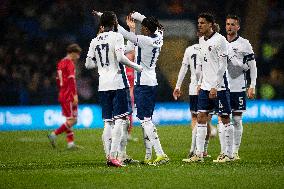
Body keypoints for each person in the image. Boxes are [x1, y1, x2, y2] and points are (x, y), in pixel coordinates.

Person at [85, 11, 143, 167]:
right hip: (118, 82)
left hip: (103, 84)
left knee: (108, 122)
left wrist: (103, 65)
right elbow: (121, 57)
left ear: (102, 25)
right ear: (115, 23)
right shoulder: (116, 37)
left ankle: (109, 156)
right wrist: (137, 67)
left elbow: (88, 64)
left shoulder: (94, 41)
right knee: (121, 120)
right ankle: (114, 156)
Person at [117, 12, 169, 165]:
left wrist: (108, 19)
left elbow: (124, 33)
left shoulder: (145, 40)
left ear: (146, 29)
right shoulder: (159, 36)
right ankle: (148, 156)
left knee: (145, 120)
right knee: (147, 120)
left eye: (143, 27)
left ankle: (161, 154)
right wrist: (137, 16)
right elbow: (153, 23)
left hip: (143, 84)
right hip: (152, 82)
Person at [185, 13, 233, 163]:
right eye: (198, 22)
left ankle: (227, 154)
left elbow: (223, 66)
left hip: (219, 87)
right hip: (205, 86)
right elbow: (203, 65)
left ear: (211, 24)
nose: (199, 25)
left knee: (224, 118)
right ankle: (199, 154)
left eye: (202, 23)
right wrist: (200, 82)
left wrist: (215, 86)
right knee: (200, 117)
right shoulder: (201, 40)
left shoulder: (220, 40)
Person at [225, 15, 257, 160]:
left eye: (233, 24)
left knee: (237, 119)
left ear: (238, 27)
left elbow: (252, 66)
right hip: (222, 87)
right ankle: (226, 151)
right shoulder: (220, 42)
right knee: (223, 119)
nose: (229, 27)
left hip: (238, 86)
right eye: (227, 24)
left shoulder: (245, 44)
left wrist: (252, 85)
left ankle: (235, 151)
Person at [47, 43, 82, 149]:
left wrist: (61, 90)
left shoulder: (60, 63)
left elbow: (58, 80)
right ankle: (54, 134)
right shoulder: (69, 63)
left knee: (70, 119)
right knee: (73, 120)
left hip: (63, 93)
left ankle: (70, 143)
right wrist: (74, 95)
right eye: (77, 54)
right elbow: (71, 80)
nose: (78, 56)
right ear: (72, 53)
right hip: (69, 94)